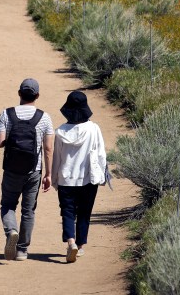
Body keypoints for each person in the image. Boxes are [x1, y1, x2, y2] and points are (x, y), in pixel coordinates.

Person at [0, 78, 54, 261]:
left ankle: (11, 230)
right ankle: (22, 250)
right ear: (37, 96)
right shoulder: (44, 117)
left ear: (19, 93)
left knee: (8, 204)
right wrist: (49, 174)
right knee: (28, 211)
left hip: (12, 169)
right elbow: (48, 148)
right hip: (33, 171)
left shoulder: (6, 114)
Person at [52, 90, 107, 264]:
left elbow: (57, 158)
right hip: (88, 178)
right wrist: (103, 174)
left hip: (66, 179)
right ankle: (81, 245)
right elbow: (101, 154)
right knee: (84, 212)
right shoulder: (94, 129)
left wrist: (54, 179)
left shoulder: (60, 131)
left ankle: (71, 242)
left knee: (67, 212)